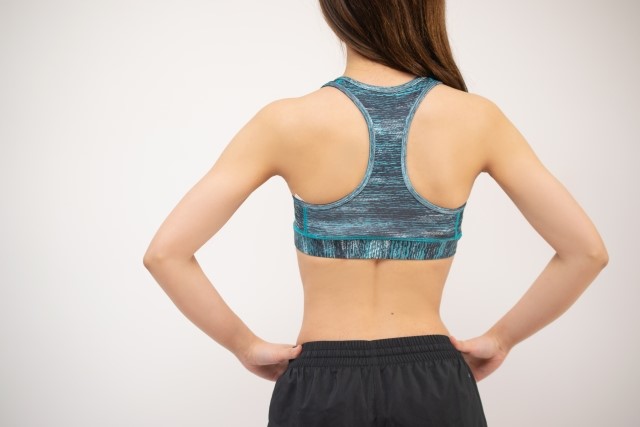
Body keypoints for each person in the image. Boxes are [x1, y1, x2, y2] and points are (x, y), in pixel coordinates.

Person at [143, 0, 609, 425]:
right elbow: (586, 253)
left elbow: (166, 255)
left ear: (336, 11)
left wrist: (243, 345)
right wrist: (502, 339)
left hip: (319, 384)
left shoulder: (285, 121)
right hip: (434, 382)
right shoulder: (477, 119)